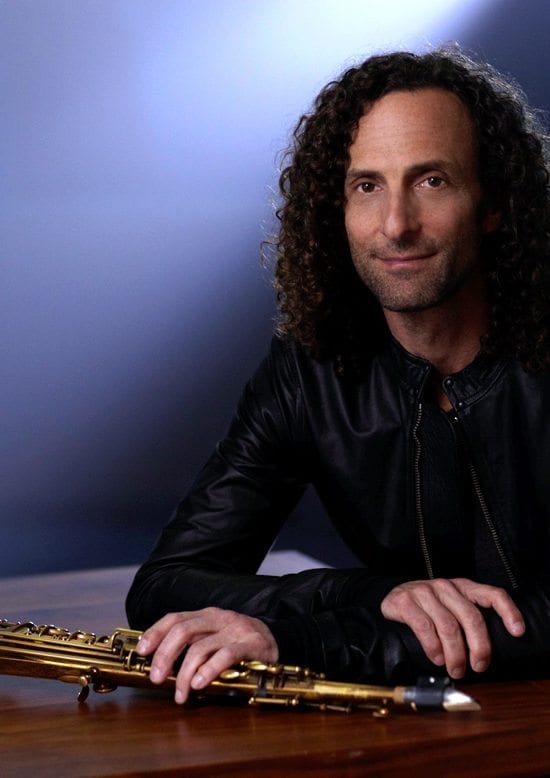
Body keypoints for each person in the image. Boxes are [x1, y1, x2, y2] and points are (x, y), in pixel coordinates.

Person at [126, 47, 550, 705]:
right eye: (367, 186)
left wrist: (311, 641)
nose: (395, 225)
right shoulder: (312, 369)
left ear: (494, 203)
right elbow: (167, 584)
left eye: (431, 181)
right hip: (412, 729)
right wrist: (373, 593)